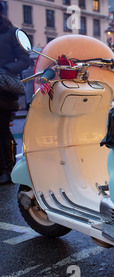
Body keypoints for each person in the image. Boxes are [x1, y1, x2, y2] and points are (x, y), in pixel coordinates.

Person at [0, 5, 32, 184]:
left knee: (3, 128)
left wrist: (4, 70)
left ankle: (8, 168)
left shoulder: (12, 33)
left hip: (3, 89)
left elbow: (25, 60)